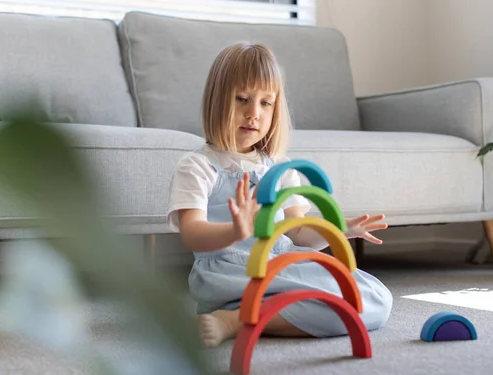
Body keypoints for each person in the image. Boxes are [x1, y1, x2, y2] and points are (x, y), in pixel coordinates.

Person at [167, 42, 392, 349]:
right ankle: (231, 320)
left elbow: (297, 233)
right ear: (217, 100)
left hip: (281, 263)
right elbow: (193, 234)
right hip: (229, 272)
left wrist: (338, 230)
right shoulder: (197, 166)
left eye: (266, 103)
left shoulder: (281, 167)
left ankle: (244, 316)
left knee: (373, 297)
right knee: (337, 304)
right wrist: (235, 230)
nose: (253, 114)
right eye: (242, 99)